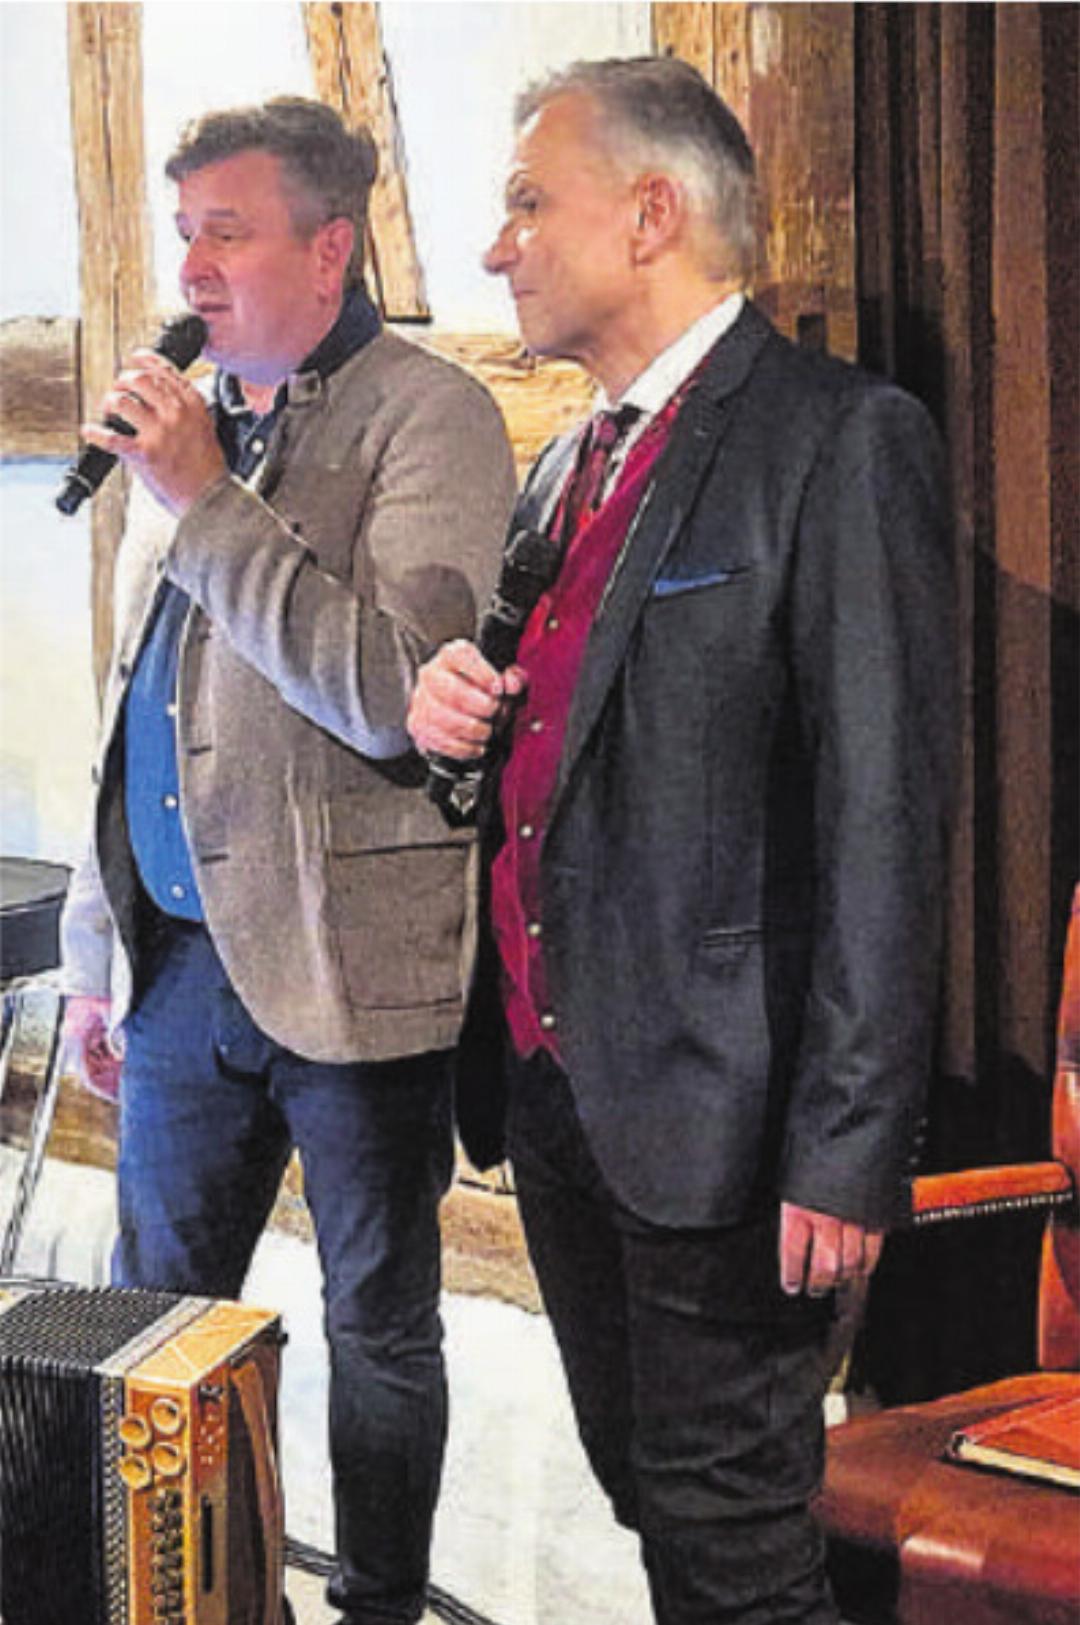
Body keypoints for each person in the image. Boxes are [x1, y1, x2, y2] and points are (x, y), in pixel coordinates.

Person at [408, 57, 956, 1625]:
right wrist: (457, 730)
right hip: (564, 1102)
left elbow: (886, 818)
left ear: (650, 214)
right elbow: (564, 766)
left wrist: (847, 1148)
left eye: (530, 203)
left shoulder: (835, 439)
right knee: (650, 1496)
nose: (498, 245)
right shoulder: (568, 463)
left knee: (734, 1542)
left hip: (733, 1119)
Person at [59, 96, 516, 1625]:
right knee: (155, 1324)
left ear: (329, 251)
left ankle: (377, 1604)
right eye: (183, 233)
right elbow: (129, 701)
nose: (192, 269)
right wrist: (94, 949)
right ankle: (186, 1597)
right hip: (179, 965)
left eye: (228, 233)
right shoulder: (193, 429)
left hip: (347, 963)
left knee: (378, 1321)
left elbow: (394, 686)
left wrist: (206, 500)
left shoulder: (429, 416)